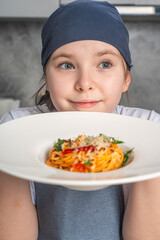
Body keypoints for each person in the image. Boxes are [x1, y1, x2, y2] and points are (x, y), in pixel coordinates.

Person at [0, 1, 160, 240]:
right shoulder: (15, 126)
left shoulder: (150, 125)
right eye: (66, 65)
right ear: (47, 77)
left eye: (104, 64)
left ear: (126, 78)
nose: (85, 83)